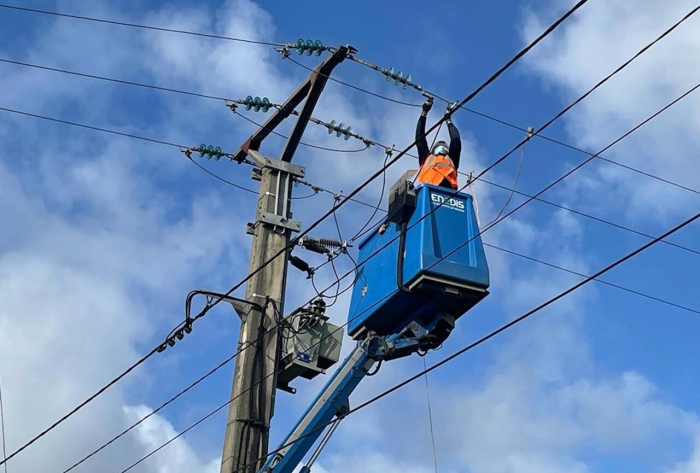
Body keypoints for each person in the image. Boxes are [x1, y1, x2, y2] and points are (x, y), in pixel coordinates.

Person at [414, 97, 461, 190]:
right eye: (439, 146)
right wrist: (424, 113)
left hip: (448, 192)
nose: (442, 149)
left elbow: (455, 139)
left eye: (444, 147)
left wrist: (448, 121)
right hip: (428, 190)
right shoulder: (426, 158)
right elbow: (420, 138)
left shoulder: (451, 159)